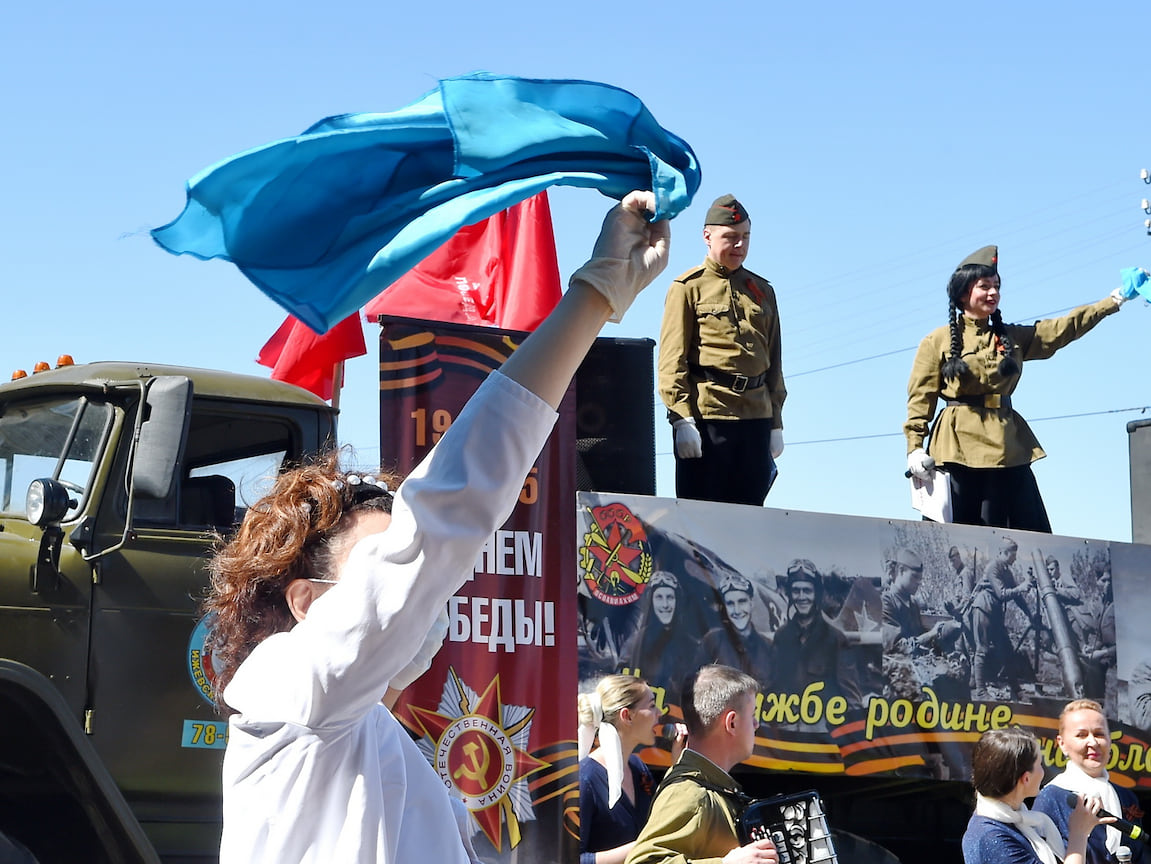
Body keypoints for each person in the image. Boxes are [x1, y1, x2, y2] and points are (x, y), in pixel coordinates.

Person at [200, 190, 670, 864]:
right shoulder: (286, 684)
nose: (420, 580)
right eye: (384, 558)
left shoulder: (387, 741)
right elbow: (448, 511)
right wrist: (590, 297)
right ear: (306, 602)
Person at [905, 246, 1143, 532]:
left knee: (1027, 533)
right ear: (962, 293)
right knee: (956, 535)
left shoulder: (1011, 336)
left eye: (996, 287)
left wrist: (1116, 299)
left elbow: (1064, 328)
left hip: (1008, 445)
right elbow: (921, 397)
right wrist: (915, 448)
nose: (993, 293)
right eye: (984, 286)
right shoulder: (937, 340)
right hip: (956, 447)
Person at [657, 194, 786, 506]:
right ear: (707, 236)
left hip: (756, 417)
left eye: (745, 237)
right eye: (730, 237)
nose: (739, 245)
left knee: (750, 520)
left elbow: (774, 361)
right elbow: (672, 360)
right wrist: (681, 419)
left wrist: (776, 422)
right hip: (708, 417)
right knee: (702, 520)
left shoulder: (761, 290)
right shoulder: (688, 287)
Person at [626, 664, 779, 864]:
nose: (756, 724)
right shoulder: (690, 794)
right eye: (752, 716)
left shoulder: (713, 789)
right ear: (731, 723)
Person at [962, 726, 1109, 864]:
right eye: (1040, 764)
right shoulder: (992, 838)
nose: (1042, 772)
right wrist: (1079, 834)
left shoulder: (1014, 821)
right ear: (1026, 778)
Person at [578, 675, 686, 864]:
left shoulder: (637, 768)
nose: (659, 713)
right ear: (627, 716)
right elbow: (571, 858)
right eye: (652, 706)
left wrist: (678, 764)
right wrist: (641, 847)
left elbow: (663, 820)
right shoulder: (585, 779)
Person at [1034, 699, 1145, 864]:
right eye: (1081, 735)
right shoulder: (1050, 798)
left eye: (1099, 734)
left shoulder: (1126, 797)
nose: (1093, 742)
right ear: (1062, 744)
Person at [769, 559, 860, 710]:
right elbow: (772, 688)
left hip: (825, 726)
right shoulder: (781, 637)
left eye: (807, 590)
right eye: (796, 590)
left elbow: (852, 699)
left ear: (816, 594)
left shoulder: (836, 639)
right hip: (787, 725)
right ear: (790, 595)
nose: (802, 596)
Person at [968, 536, 1035, 700]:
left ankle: (1016, 690)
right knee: (982, 650)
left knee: (1008, 651)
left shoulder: (1006, 570)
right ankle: (981, 691)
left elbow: (1017, 597)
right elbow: (1002, 593)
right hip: (983, 609)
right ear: (1005, 553)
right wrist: (1021, 587)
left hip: (995, 613)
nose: (1015, 558)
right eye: (1013, 555)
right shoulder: (993, 567)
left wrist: (1030, 615)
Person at [626, 571, 698, 706]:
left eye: (670, 597)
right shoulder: (637, 642)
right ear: (650, 601)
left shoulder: (692, 644)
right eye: (659, 597)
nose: (665, 604)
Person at [697, 574, 774, 688]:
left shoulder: (768, 647)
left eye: (742, 601)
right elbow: (694, 685)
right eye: (730, 603)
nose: (737, 610)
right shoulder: (712, 641)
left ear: (751, 603)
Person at [881, 548, 961, 656]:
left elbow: (920, 639)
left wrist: (942, 633)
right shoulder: (886, 602)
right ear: (901, 570)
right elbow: (898, 647)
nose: (918, 582)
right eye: (914, 577)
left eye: (920, 579)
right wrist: (931, 634)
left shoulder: (913, 603)